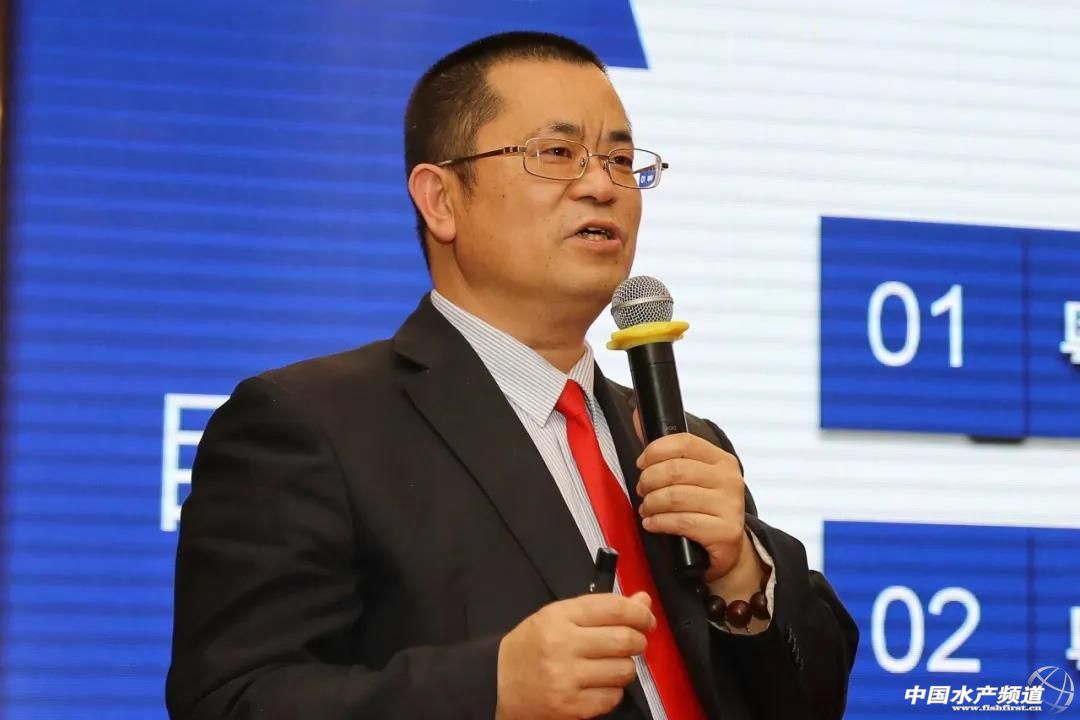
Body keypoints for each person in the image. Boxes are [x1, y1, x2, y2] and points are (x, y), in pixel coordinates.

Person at [166, 31, 857, 720]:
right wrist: (491, 688)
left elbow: (815, 701)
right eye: (556, 153)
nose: (602, 186)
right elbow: (230, 701)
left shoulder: (679, 440)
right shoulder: (311, 427)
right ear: (440, 200)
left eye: (621, 160)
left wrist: (741, 572)